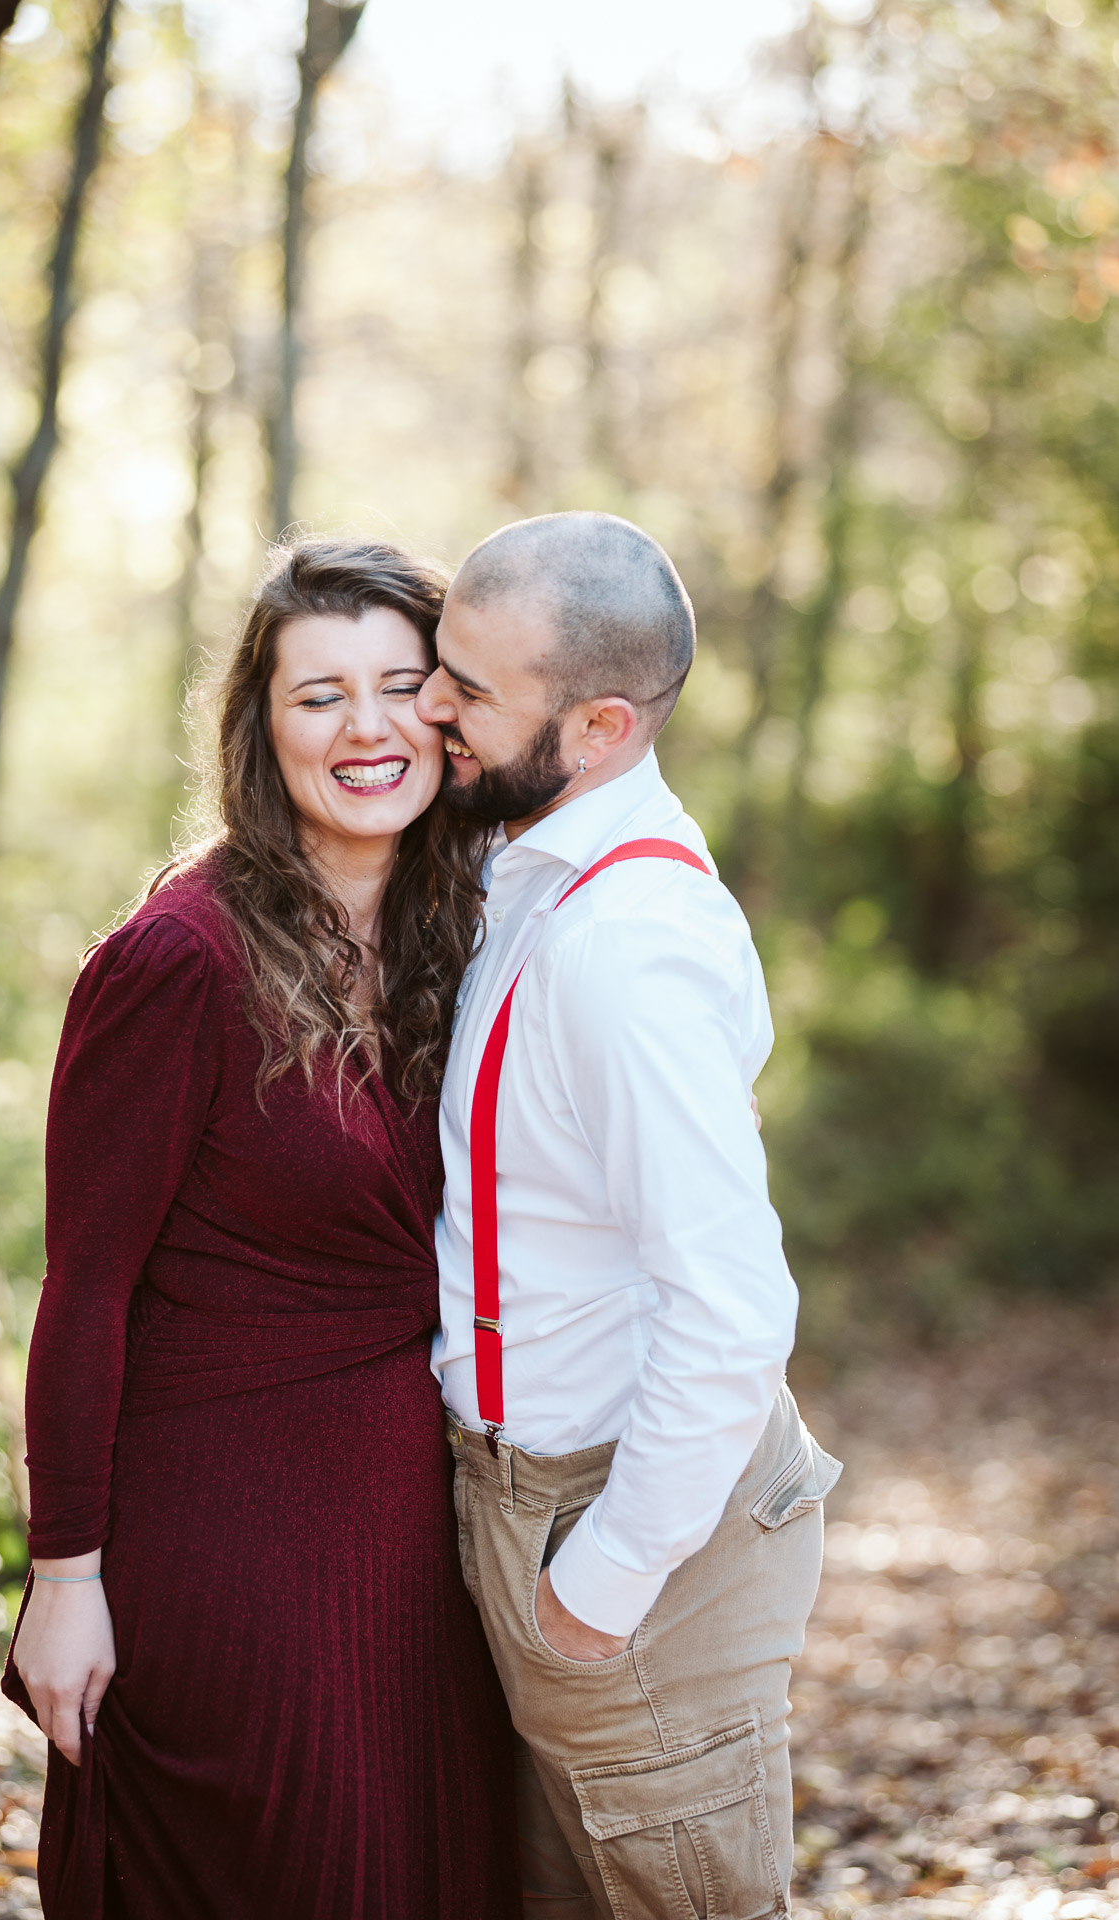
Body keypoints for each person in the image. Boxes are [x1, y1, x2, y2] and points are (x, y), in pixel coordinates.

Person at [3, 538, 521, 1920]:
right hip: (224, 1535)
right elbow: (87, 1287)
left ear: (450, 711)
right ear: (260, 727)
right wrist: (64, 1577)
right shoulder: (177, 959)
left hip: (416, 1534)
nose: (366, 726)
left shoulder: (461, 930)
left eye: (401, 684)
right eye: (318, 695)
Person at [415, 510, 842, 1920]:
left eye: (470, 690)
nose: (431, 707)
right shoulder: (531, 877)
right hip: (525, 1501)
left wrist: (602, 1577)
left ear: (598, 725)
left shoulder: (622, 947)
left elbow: (731, 1309)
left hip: (620, 1533)